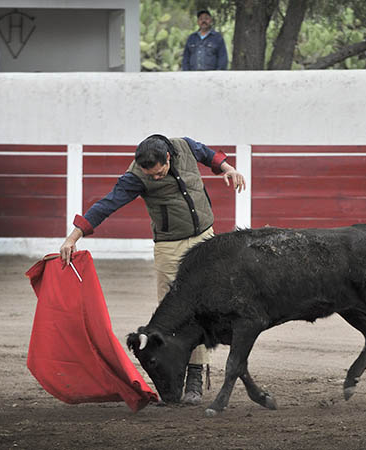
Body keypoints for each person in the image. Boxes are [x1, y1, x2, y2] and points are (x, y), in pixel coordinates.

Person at [59, 135, 246, 405]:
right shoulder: (136, 176)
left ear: (168, 158)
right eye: (151, 176)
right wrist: (73, 237)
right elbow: (106, 205)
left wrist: (228, 168)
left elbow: (208, 155)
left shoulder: (184, 146)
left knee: (205, 309)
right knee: (174, 314)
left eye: (159, 173)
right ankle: (175, 376)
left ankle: (195, 375)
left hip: (205, 240)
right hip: (169, 248)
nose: (156, 179)